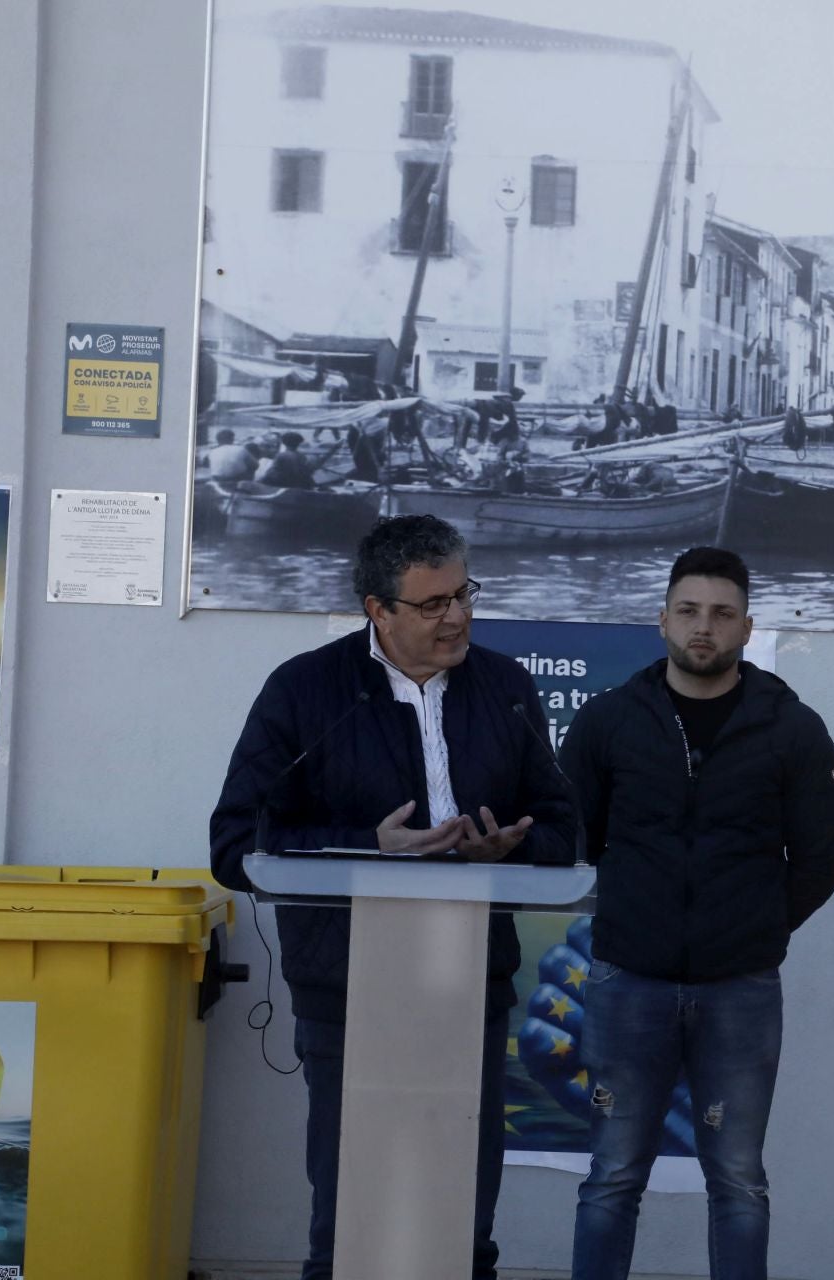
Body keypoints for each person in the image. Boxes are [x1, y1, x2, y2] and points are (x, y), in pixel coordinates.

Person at [208, 514, 578, 1280]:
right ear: (378, 609)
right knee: (352, 1219)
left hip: (468, 981)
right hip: (348, 986)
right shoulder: (307, 690)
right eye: (434, 603)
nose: (459, 616)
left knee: (462, 1219)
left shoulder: (505, 686)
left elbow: (563, 827)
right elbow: (237, 844)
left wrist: (506, 846)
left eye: (464, 593)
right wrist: (370, 850)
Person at [561, 547, 834, 1280]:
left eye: (722, 614)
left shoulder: (792, 728)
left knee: (740, 1182)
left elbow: (820, 858)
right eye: (688, 611)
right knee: (611, 1177)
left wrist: (753, 930)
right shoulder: (609, 721)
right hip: (629, 983)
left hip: (740, 989)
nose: (703, 628)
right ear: (662, 620)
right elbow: (577, 836)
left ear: (747, 628)